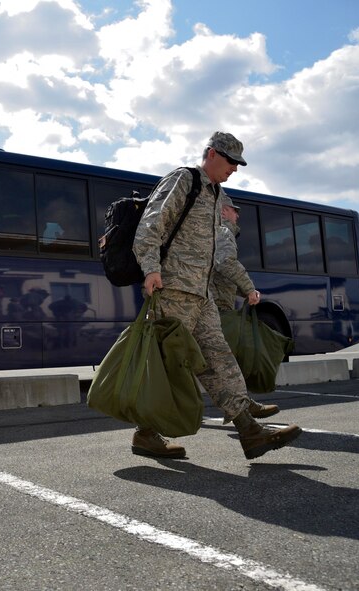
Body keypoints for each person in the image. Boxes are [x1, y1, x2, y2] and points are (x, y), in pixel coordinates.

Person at [132, 131, 302, 460]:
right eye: (230, 161)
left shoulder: (216, 194)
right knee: (170, 365)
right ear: (211, 153)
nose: (235, 169)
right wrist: (151, 267)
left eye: (238, 164)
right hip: (174, 290)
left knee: (219, 359)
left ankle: (249, 431)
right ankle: (146, 433)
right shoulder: (185, 180)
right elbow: (152, 223)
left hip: (202, 293)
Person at [211, 195, 280, 419]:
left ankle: (241, 410)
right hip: (214, 309)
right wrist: (249, 288)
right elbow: (225, 263)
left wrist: (243, 290)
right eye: (234, 210)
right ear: (222, 211)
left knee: (217, 363)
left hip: (209, 306)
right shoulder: (222, 232)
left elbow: (219, 271)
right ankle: (243, 409)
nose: (237, 214)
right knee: (227, 359)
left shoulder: (209, 233)